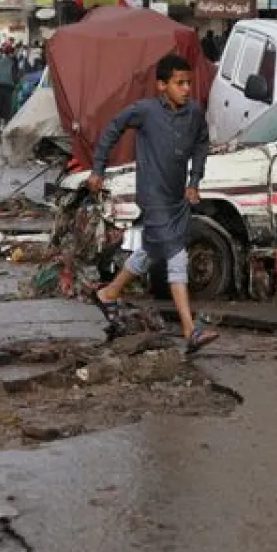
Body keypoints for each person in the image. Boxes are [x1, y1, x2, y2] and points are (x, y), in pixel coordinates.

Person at [86, 54, 217, 357]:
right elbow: (112, 129)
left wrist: (195, 179)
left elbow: (201, 143)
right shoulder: (144, 112)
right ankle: (190, 330)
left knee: (152, 251)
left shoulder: (194, 112)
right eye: (179, 83)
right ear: (161, 86)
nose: (186, 89)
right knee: (177, 256)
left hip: (176, 198)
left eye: (189, 83)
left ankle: (109, 293)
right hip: (152, 195)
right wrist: (97, 169)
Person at [0, 44, 17, 126]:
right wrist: (15, 83)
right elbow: (14, 74)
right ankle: (5, 122)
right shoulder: (13, 62)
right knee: (7, 104)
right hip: (9, 85)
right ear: (11, 52)